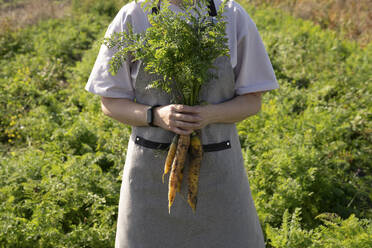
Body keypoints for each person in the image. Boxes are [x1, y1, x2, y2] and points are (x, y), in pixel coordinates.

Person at [85, 0, 279, 247]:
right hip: (151, 174)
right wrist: (155, 115)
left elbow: (252, 101)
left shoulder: (230, 14)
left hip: (218, 168)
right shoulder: (134, 15)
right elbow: (109, 102)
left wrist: (211, 114)